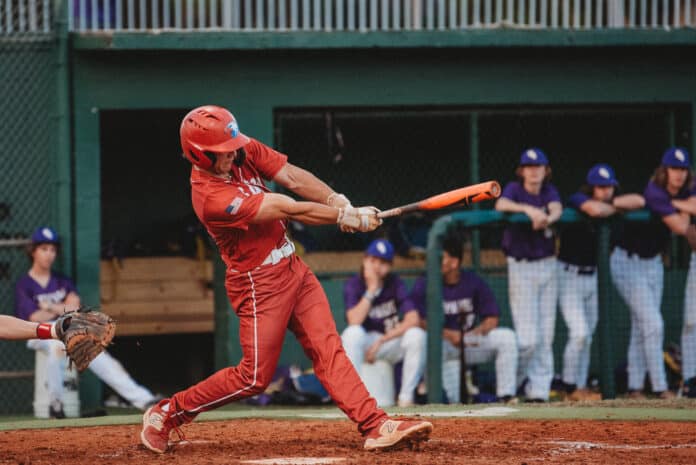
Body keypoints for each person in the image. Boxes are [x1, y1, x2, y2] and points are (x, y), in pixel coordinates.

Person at [140, 105, 432, 454]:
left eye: (232, 145)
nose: (232, 153)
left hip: (292, 267)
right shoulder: (211, 198)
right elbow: (286, 206)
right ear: (199, 155)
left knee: (329, 350)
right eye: (221, 152)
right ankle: (168, 412)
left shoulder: (239, 148)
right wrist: (344, 217)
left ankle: (374, 424)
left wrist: (338, 200)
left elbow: (291, 175)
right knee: (253, 378)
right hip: (258, 284)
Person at [15, 226, 159, 418]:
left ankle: (143, 400)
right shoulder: (24, 284)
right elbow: (33, 317)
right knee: (56, 347)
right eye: (43, 249)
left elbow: (74, 309)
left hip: (66, 329)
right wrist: (61, 307)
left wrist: (48, 306)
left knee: (95, 352)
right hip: (37, 332)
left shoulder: (61, 280)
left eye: (52, 250)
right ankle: (55, 404)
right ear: (33, 251)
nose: (49, 255)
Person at [610, 148, 695, 399]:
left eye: (682, 170)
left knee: (642, 326)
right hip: (627, 262)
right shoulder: (654, 191)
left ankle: (635, 387)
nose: (678, 175)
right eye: (673, 169)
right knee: (653, 323)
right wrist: (682, 207)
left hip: (653, 263)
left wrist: (676, 204)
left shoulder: (681, 192)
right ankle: (659, 387)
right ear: (664, 171)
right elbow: (681, 227)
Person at [558, 164, 644, 401]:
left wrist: (612, 205)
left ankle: (580, 386)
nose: (605, 191)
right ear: (591, 187)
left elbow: (639, 200)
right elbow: (593, 210)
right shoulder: (578, 198)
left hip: (594, 277)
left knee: (590, 333)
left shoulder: (614, 204)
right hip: (569, 276)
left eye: (609, 187)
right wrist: (612, 208)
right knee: (580, 333)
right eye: (600, 187)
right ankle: (568, 386)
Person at [410, 233, 518, 403]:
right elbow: (418, 320)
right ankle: (423, 393)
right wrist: (448, 335)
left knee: (507, 338)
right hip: (442, 346)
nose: (436, 261)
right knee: (455, 401)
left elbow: (492, 318)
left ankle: (506, 395)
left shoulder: (473, 282)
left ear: (454, 262)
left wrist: (474, 333)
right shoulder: (425, 282)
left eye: (442, 257)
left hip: (468, 341)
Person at [494, 148, 563, 402]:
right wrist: (529, 211)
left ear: (546, 170)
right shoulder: (514, 189)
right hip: (522, 267)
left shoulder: (549, 192)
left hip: (547, 265)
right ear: (522, 170)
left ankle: (539, 392)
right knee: (528, 338)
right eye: (529, 167)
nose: (534, 171)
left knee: (546, 334)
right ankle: (517, 382)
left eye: (539, 167)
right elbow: (500, 203)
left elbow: (557, 208)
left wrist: (548, 217)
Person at [341, 239, 426, 407]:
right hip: (365, 344)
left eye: (383, 262)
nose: (377, 266)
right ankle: (353, 400)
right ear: (365, 260)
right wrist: (371, 290)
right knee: (352, 333)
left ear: (390, 266)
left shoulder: (395, 283)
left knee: (417, 335)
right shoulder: (354, 284)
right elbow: (354, 320)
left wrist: (382, 341)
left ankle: (406, 398)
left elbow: (413, 318)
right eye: (373, 260)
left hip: (387, 342)